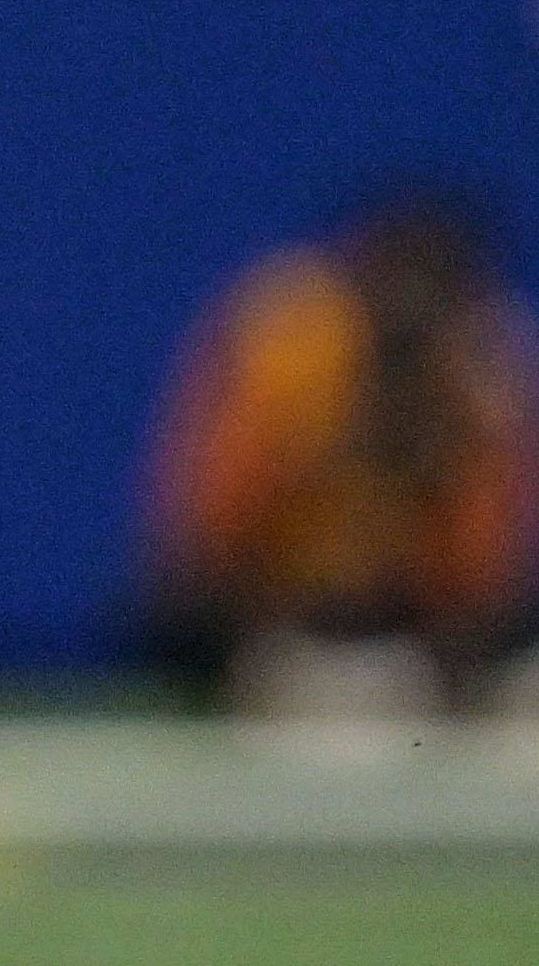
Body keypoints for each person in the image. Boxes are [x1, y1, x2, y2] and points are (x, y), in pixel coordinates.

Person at [140, 187, 535, 719]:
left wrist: (441, 464)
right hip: (281, 632)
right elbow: (205, 543)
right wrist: (331, 451)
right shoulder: (294, 347)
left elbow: (485, 582)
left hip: (417, 640)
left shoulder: (480, 371)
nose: (409, 315)